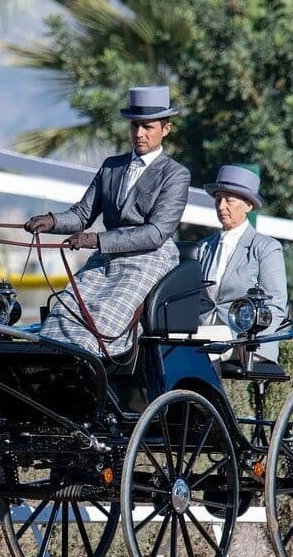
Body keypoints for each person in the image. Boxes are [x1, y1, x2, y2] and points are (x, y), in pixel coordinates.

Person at [23, 86, 190, 357]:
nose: (139, 134)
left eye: (147, 127)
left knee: (101, 320)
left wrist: (97, 240)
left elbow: (156, 232)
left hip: (148, 259)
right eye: (135, 126)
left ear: (166, 129)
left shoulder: (175, 175)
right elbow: (82, 215)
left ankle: (91, 373)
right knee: (65, 310)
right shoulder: (112, 166)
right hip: (106, 258)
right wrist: (51, 221)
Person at [196, 165, 287, 362]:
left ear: (248, 205)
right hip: (204, 330)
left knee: (196, 348)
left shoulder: (265, 247)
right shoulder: (204, 247)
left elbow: (276, 304)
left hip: (243, 337)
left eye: (229, 200)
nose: (221, 206)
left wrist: (250, 336)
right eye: (218, 199)